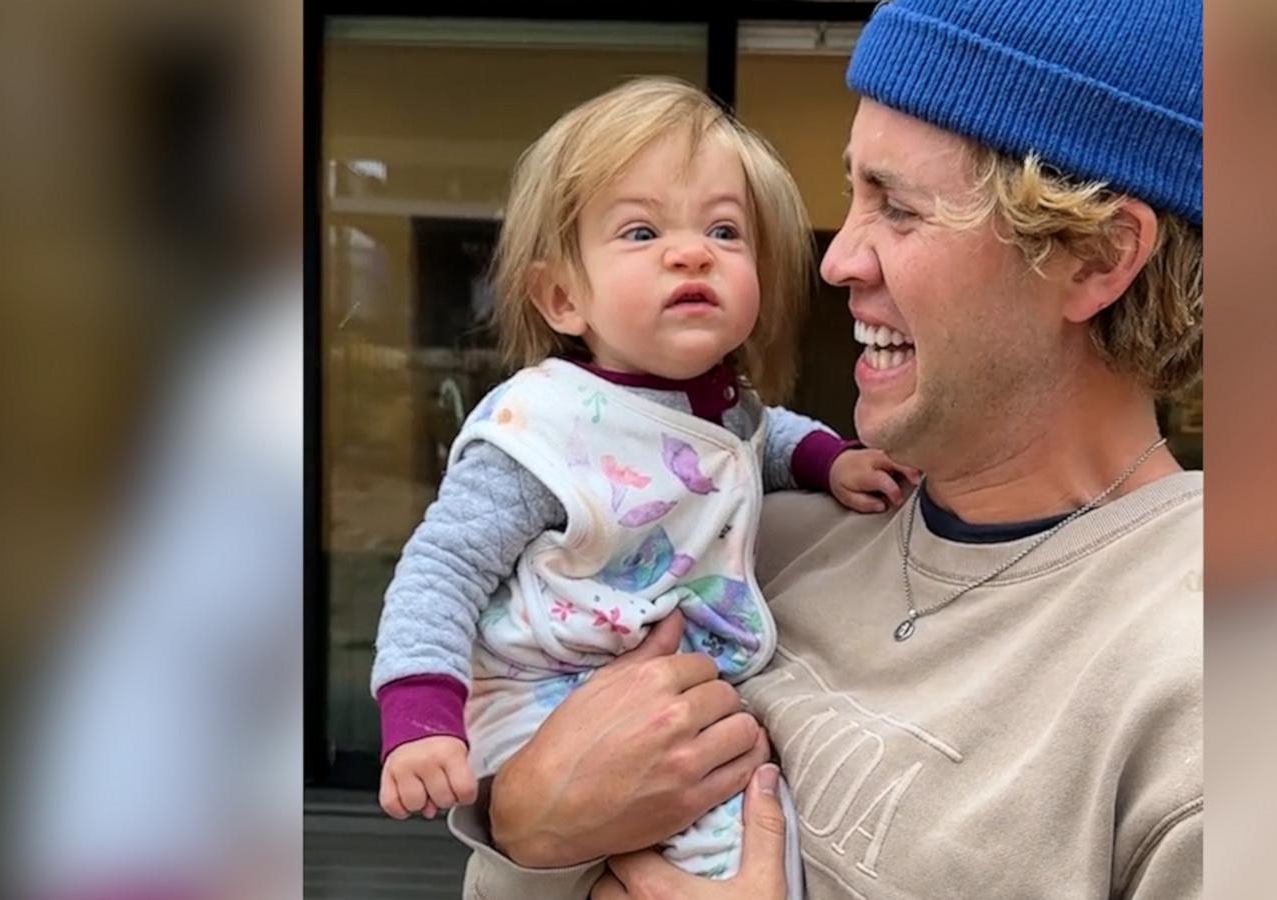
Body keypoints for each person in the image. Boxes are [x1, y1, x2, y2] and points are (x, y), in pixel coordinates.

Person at [451, 0, 1204, 897]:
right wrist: (525, 828)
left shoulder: (1215, 687)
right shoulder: (745, 540)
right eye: (852, 194)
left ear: (1095, 258)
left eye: (898, 207)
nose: (837, 258)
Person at [369, 78, 913, 893]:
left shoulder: (724, 406)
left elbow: (757, 440)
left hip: (662, 699)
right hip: (540, 696)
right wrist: (419, 716)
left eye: (725, 230)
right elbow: (441, 568)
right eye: (641, 230)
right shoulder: (541, 429)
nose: (692, 251)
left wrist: (829, 460)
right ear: (563, 296)